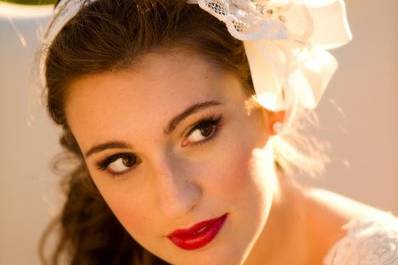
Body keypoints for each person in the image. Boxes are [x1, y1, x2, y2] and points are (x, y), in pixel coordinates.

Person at [38, 0, 398, 265]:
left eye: (199, 131)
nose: (176, 201)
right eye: (122, 161)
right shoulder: (114, 251)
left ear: (275, 101)